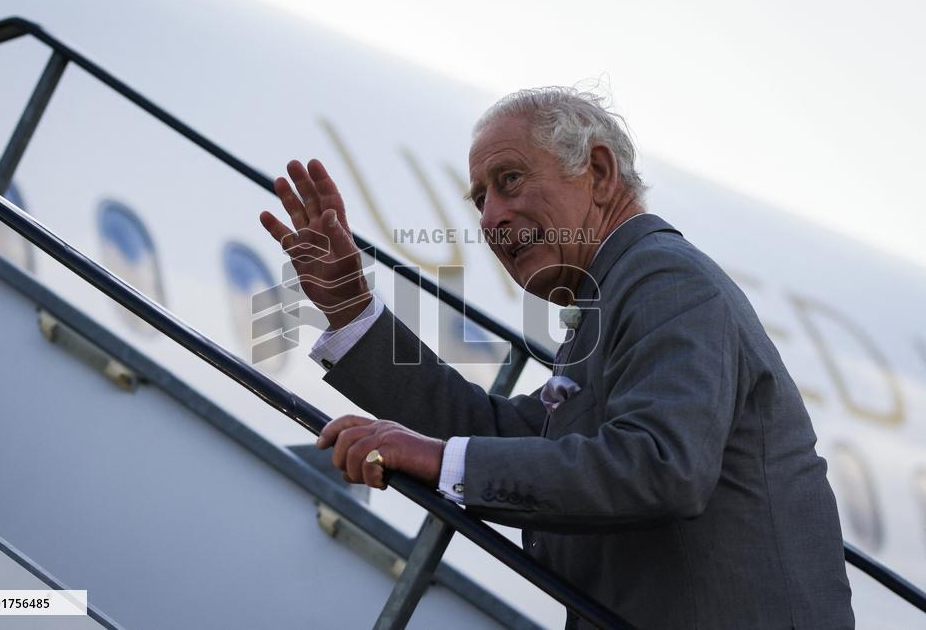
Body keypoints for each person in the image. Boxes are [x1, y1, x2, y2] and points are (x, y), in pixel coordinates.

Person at [259, 87, 854, 629]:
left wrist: (440, 459)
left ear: (597, 172)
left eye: (510, 180)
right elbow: (510, 438)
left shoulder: (664, 278)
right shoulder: (614, 293)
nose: (490, 217)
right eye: (480, 198)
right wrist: (351, 310)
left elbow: (661, 466)